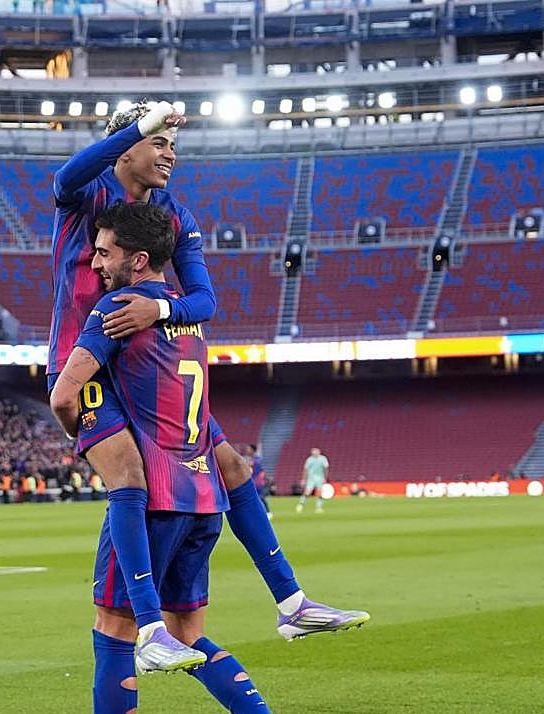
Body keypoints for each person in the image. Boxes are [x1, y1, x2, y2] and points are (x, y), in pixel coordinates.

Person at [50, 100, 367, 642]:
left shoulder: (173, 216)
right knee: (129, 475)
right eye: (159, 142)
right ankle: (149, 628)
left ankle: (291, 603)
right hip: (87, 364)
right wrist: (138, 127)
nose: (171, 154)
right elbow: (65, 176)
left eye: (173, 144)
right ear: (128, 144)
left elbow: (205, 300)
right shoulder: (88, 197)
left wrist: (159, 308)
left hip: (147, 369)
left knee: (235, 469)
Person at [46, 203, 306, 714]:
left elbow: (62, 393)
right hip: (202, 501)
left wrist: (86, 437)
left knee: (113, 630)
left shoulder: (115, 309)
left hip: (151, 502)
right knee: (189, 634)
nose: (96, 261)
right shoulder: (188, 318)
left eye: (105, 251)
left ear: (137, 260)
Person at [297, 447, 330, 514]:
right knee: (307, 492)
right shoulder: (309, 460)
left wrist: (325, 478)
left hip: (320, 478)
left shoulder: (323, 459)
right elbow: (305, 470)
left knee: (319, 493)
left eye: (316, 451)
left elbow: (326, 468)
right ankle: (301, 504)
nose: (315, 453)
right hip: (311, 478)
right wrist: (303, 479)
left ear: (319, 452)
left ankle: (318, 507)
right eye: (313, 452)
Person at [248, 443, 272, 518]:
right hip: (253, 481)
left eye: (249, 449)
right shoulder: (252, 460)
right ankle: (255, 513)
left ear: (253, 450)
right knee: (254, 498)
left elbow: (260, 471)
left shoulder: (257, 460)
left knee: (261, 497)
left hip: (258, 482)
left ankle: (268, 512)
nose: (247, 450)